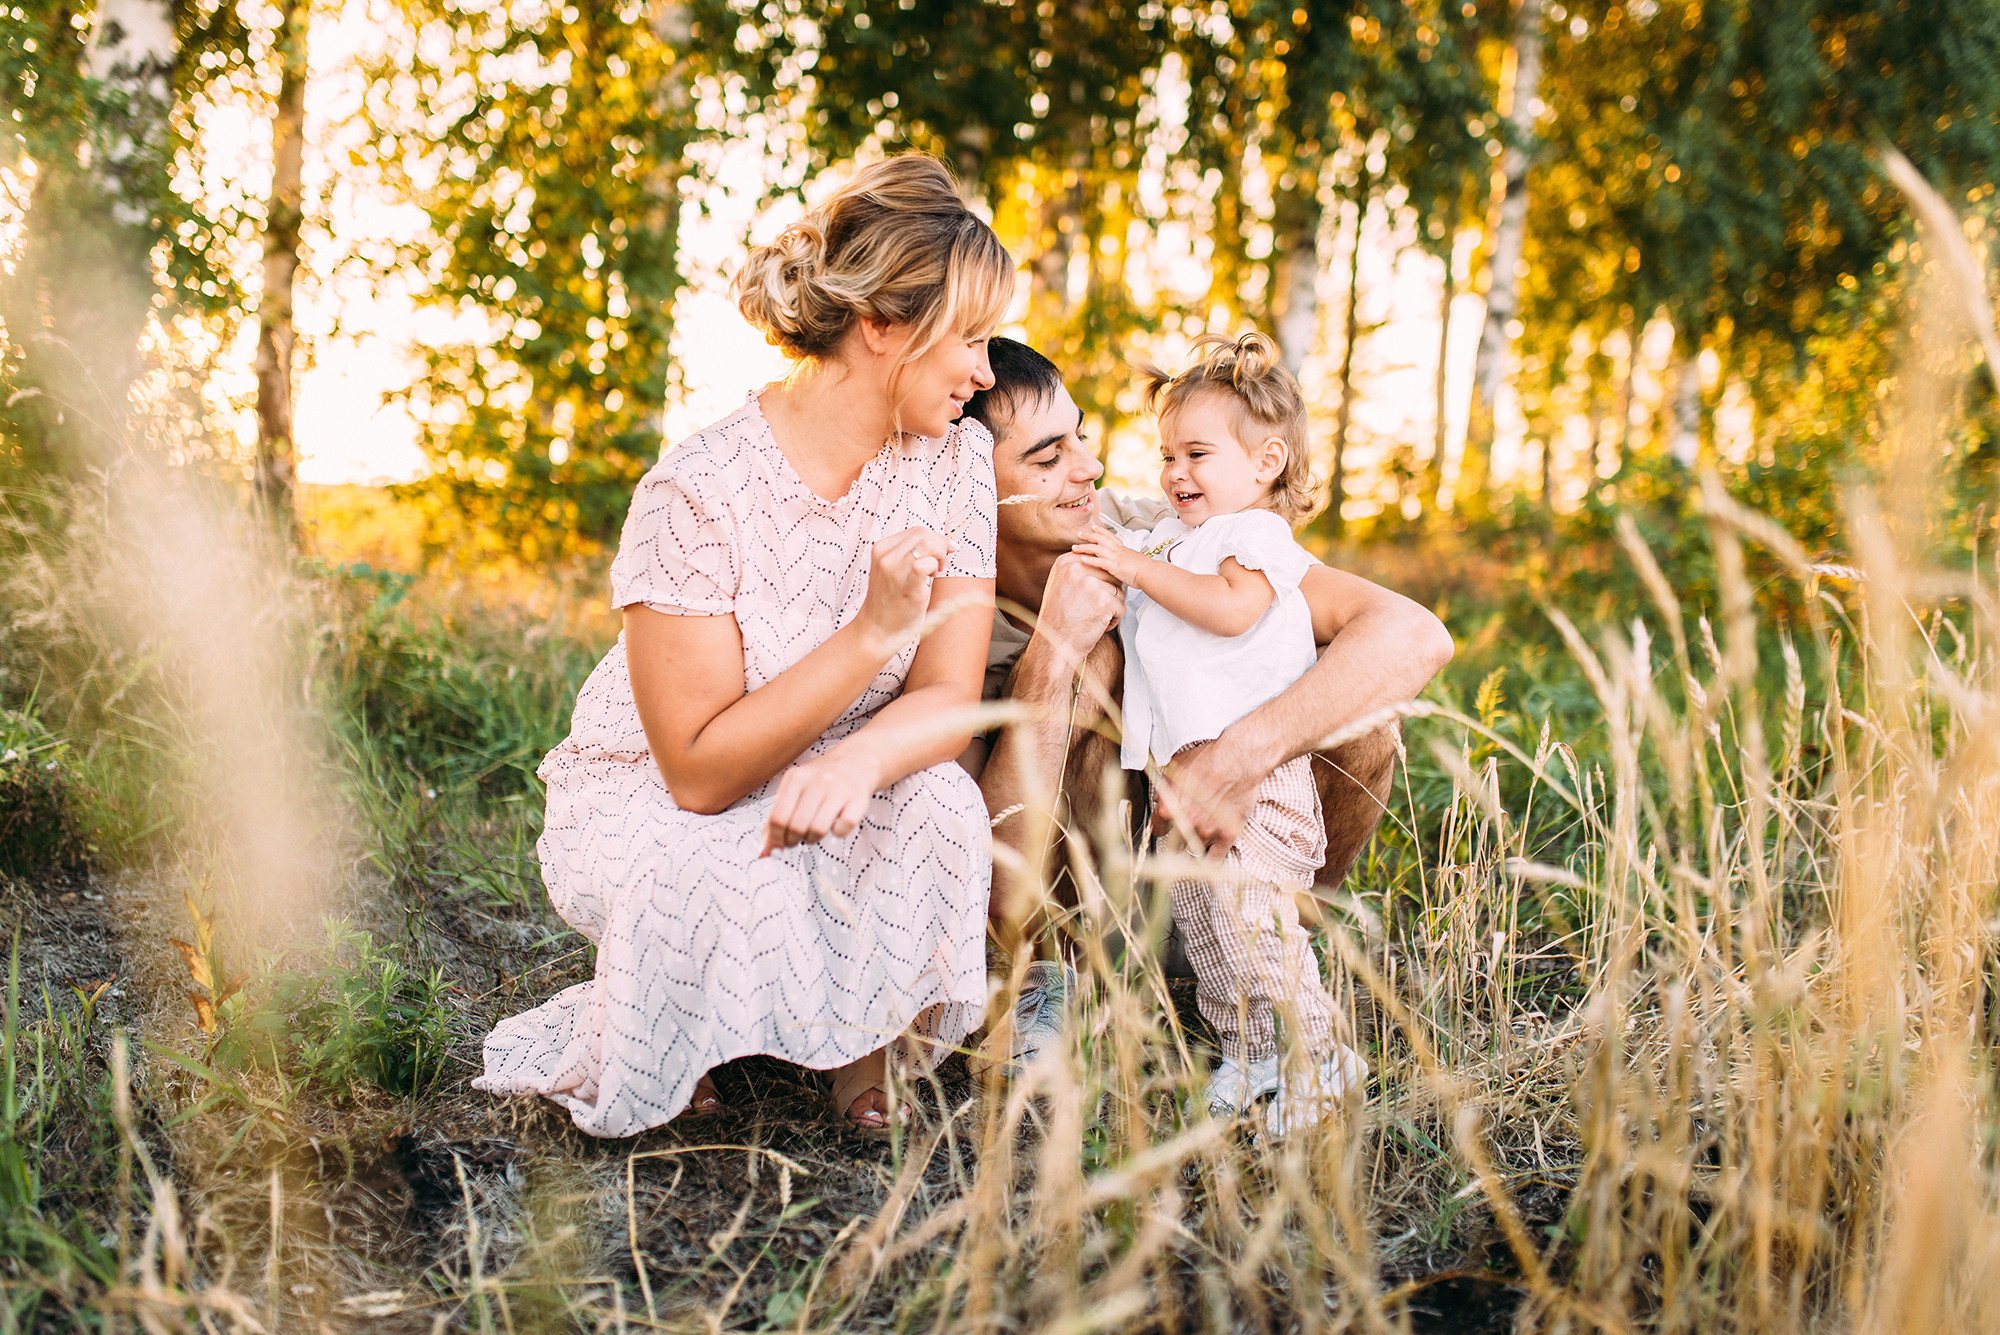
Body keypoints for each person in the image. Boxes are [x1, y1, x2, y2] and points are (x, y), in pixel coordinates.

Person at [474, 154, 1012, 1137]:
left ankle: (865, 1049)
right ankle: (681, 1026)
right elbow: (696, 775)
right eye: (970, 339)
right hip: (660, 790)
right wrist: (867, 637)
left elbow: (949, 697)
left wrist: (856, 757)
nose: (985, 373)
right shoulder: (696, 490)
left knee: (939, 798)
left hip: (839, 769)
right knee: (699, 861)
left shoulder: (957, 461)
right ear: (882, 326)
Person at [958, 337, 1453, 1085]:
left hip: (1209, 845)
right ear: (966, 481)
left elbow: (1413, 634)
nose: (1089, 468)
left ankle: (1271, 940)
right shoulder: (946, 609)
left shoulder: (1158, 530)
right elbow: (994, 882)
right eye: (1048, 457)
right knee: (1095, 656)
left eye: (1081, 437)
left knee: (1361, 724)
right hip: (1070, 900)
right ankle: (1048, 982)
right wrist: (1051, 657)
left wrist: (1239, 756)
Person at [1071, 332, 1366, 1135]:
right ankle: (1250, 1049)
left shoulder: (1256, 538)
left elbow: (1231, 609)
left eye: (1197, 453)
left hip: (1255, 780)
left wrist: (1134, 569)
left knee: (1254, 924)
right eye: (1167, 455)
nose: (1174, 474)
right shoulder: (1177, 539)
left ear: (1266, 461)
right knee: (1209, 928)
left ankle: (1318, 1056)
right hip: (1182, 779)